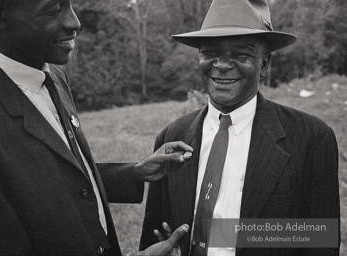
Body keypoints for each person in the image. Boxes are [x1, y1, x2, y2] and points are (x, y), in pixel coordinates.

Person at [0, 0, 193, 255]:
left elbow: (51, 181)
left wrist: (135, 173)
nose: (75, 22)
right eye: (53, 9)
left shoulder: (54, 74)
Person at [140, 0, 340, 255]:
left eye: (240, 54)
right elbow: (151, 239)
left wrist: (224, 234)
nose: (222, 64)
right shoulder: (172, 136)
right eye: (210, 52)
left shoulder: (312, 138)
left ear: (264, 63)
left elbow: (320, 238)